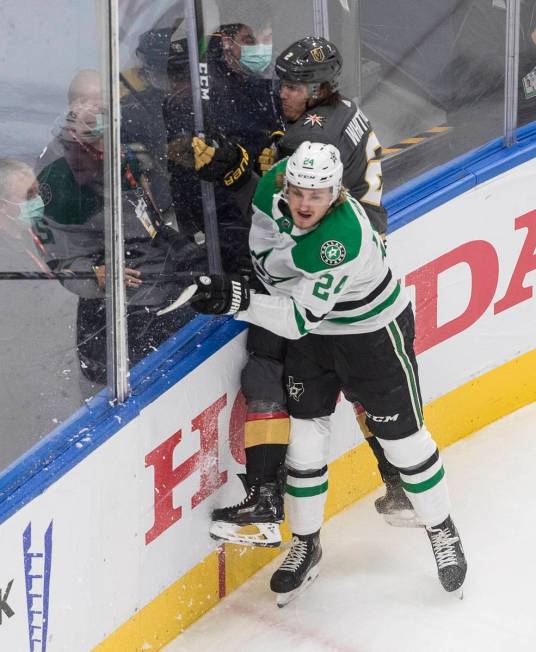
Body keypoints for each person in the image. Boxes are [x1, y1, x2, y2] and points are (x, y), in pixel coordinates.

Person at [182, 142, 468, 604]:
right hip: (317, 337)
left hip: (370, 334)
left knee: (404, 441)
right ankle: (306, 543)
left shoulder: (341, 238)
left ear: (336, 194)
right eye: (298, 191)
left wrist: (237, 300)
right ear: (287, 182)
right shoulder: (275, 185)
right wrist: (236, 175)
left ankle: (441, 527)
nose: (303, 203)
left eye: (316, 196)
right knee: (305, 440)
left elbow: (296, 319)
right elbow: (267, 239)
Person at [194, 36, 412, 539]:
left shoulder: (307, 143)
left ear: (318, 90)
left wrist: (234, 171)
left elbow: (279, 208)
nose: (283, 93)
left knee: (268, 363)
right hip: (358, 264)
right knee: (360, 380)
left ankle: (267, 498)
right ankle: (397, 477)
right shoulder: (345, 112)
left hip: (319, 267)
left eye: (293, 86)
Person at [36, 102, 193, 387]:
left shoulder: (125, 160)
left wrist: (181, 247)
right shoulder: (55, 189)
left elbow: (150, 221)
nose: (76, 156)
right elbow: (58, 263)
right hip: (108, 306)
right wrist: (96, 274)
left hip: (156, 289)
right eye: (69, 147)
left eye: (87, 146)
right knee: (103, 377)